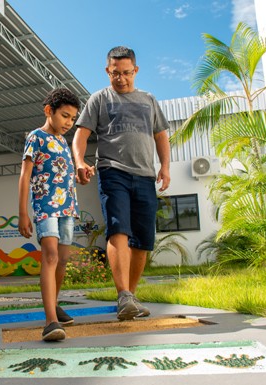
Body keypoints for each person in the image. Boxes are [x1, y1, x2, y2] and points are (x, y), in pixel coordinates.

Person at [72, 46, 171, 321]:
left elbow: (161, 135)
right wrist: (79, 162)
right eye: (115, 73)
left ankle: (131, 297)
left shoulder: (148, 100)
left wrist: (165, 166)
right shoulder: (99, 99)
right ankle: (123, 294)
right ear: (108, 71)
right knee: (119, 230)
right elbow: (80, 135)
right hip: (111, 171)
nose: (121, 79)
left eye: (126, 73)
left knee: (142, 240)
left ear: (135, 71)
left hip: (145, 176)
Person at [18, 88, 81, 341]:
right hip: (45, 206)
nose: (69, 122)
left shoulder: (65, 142)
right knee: (51, 256)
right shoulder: (36, 137)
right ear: (49, 111)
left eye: (73, 119)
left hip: (68, 207)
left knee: (64, 259)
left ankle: (53, 304)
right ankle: (50, 321)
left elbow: (63, 174)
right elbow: (25, 176)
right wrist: (22, 212)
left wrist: (81, 176)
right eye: (65, 116)